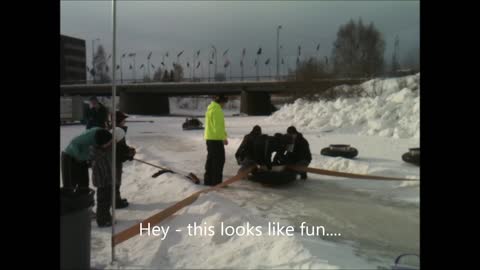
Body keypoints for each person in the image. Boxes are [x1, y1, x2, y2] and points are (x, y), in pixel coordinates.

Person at [89, 127, 125, 227]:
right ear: (103, 143)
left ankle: (106, 217)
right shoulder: (99, 154)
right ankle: (102, 220)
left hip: (106, 181)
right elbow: (103, 170)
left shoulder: (100, 150)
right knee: (103, 202)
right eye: (108, 142)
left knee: (106, 201)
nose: (110, 143)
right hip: (103, 182)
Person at [204, 95, 228, 186]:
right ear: (221, 102)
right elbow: (218, 127)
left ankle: (208, 180)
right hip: (216, 139)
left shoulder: (210, 109)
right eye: (224, 103)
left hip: (209, 138)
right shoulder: (217, 111)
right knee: (219, 161)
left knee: (211, 160)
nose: (224, 105)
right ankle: (216, 182)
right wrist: (223, 138)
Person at [113, 111, 136, 208]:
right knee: (115, 180)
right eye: (123, 119)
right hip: (114, 160)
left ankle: (116, 199)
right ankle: (116, 201)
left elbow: (121, 147)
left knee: (116, 180)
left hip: (115, 159)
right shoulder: (118, 130)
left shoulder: (116, 129)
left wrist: (128, 153)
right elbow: (119, 148)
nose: (125, 121)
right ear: (119, 120)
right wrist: (128, 153)